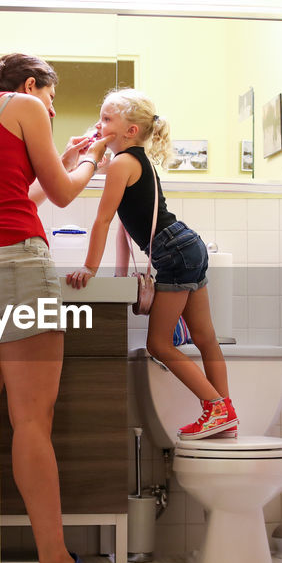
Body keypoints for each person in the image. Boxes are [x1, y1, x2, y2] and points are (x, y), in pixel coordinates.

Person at [0, 53, 114, 563]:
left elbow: (23, 194)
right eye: (52, 97)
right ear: (29, 85)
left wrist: (64, 156)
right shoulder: (24, 104)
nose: (50, 107)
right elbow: (64, 196)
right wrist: (98, 158)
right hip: (21, 262)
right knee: (31, 420)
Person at [65, 88, 237, 440]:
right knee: (205, 338)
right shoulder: (136, 161)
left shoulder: (122, 164)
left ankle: (216, 410)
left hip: (173, 251)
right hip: (188, 244)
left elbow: (102, 220)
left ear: (130, 131)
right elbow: (124, 226)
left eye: (107, 119)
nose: (99, 125)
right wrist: (118, 272)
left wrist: (90, 269)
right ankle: (226, 413)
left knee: (160, 344)